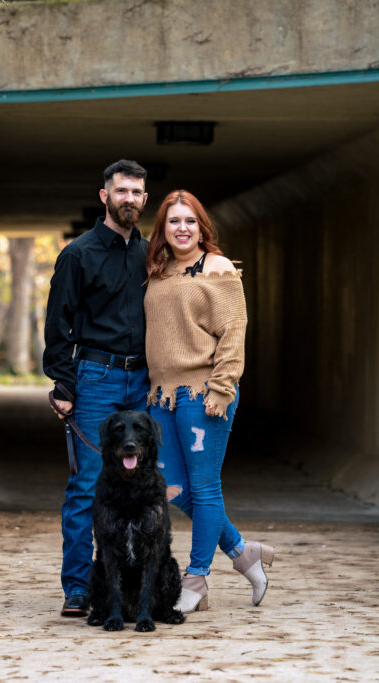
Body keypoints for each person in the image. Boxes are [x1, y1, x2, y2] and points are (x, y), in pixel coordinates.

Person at [143, 189, 275, 612]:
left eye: (190, 221)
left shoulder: (218, 271)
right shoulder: (159, 271)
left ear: (202, 227)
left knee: (203, 486)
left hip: (204, 394)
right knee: (169, 486)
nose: (182, 228)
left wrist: (222, 387)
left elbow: (233, 334)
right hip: (161, 396)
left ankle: (197, 578)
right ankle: (241, 552)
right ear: (162, 229)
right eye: (173, 221)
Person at [43, 159, 150, 617]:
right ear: (104, 195)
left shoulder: (152, 255)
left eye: (137, 192)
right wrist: (63, 385)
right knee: (87, 484)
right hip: (96, 379)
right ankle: (78, 587)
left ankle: (132, 585)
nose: (130, 199)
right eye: (122, 191)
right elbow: (57, 325)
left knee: (144, 486)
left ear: (145, 200)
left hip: (144, 379)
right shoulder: (78, 254)